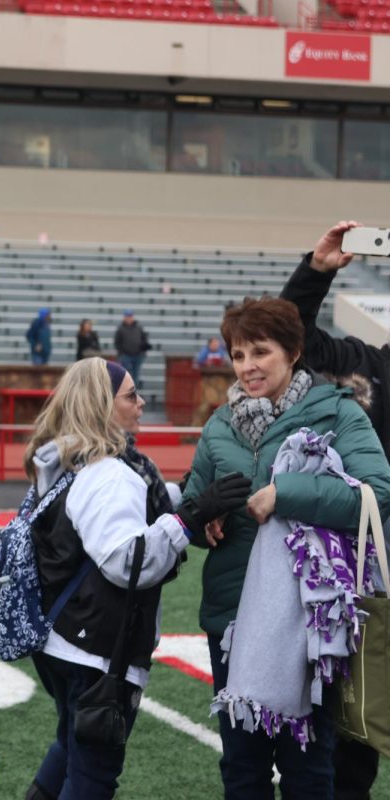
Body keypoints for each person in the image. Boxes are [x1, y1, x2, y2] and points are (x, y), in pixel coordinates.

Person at [181, 296, 390, 800]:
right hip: (234, 616)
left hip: (309, 619)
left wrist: (285, 495)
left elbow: (377, 492)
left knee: (308, 768)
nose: (247, 367)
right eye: (237, 355)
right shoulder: (219, 423)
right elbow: (192, 500)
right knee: (242, 766)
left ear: (294, 351)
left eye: (260, 352)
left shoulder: (338, 412)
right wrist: (202, 515)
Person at [22, 358, 249, 800]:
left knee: (72, 745)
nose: (141, 403)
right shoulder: (110, 471)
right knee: (93, 773)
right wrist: (188, 519)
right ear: (101, 406)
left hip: (61, 634)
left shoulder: (64, 457)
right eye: (130, 395)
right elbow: (129, 561)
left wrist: (188, 501)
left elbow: (123, 511)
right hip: (98, 644)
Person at [281, 219, 388, 800]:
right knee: (355, 725)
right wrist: (316, 272)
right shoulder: (367, 368)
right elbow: (289, 338)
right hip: (370, 569)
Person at [114, 310, 151, 390]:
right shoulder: (120, 328)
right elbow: (117, 342)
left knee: (135, 375)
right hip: (126, 355)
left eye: (130, 316)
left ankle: (133, 393)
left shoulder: (139, 327)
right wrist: (121, 353)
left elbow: (144, 339)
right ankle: (126, 392)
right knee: (126, 375)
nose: (129, 318)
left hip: (138, 355)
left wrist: (143, 350)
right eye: (127, 316)